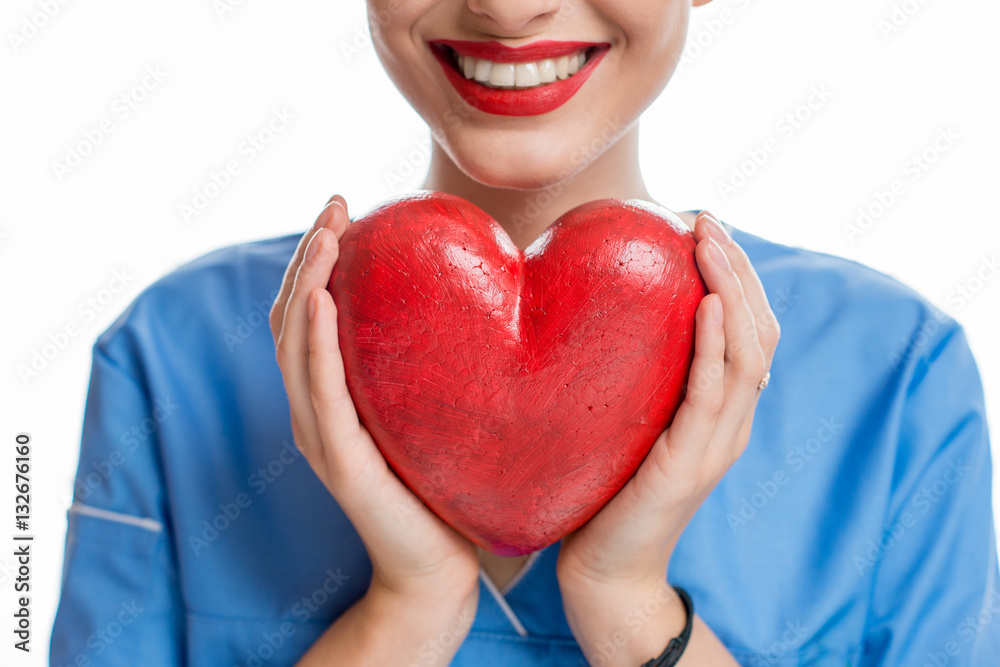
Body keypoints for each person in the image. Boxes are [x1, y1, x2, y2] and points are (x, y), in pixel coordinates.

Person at [51, 1, 1000, 665]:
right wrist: (408, 609)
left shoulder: (899, 377)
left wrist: (631, 608)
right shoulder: (168, 358)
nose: (509, 6)